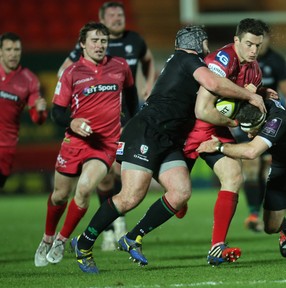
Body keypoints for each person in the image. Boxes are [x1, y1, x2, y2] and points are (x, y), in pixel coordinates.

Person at [71, 25, 266, 274]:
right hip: (146, 131)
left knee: (181, 192)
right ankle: (84, 243)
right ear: (198, 43)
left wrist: (258, 91)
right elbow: (214, 84)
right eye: (205, 42)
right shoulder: (187, 59)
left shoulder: (190, 62)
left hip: (169, 138)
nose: (208, 48)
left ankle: (133, 237)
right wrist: (250, 97)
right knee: (131, 196)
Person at [34, 22, 135, 267]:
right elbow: (57, 113)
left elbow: (132, 100)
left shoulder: (121, 66)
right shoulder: (71, 73)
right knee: (59, 196)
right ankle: (47, 238)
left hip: (105, 144)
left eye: (103, 41)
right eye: (94, 41)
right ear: (82, 44)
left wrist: (129, 126)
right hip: (75, 142)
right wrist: (73, 121)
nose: (99, 45)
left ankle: (62, 239)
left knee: (85, 188)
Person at [57, 1, 156, 251]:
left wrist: (149, 82)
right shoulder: (90, 49)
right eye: (111, 15)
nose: (117, 18)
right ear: (102, 18)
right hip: (104, 117)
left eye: (120, 14)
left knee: (123, 170)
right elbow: (65, 71)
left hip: (126, 114)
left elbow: (147, 60)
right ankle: (113, 226)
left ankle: (117, 219)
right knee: (107, 175)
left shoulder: (135, 40)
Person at [181, 18, 271, 265]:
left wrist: (261, 93)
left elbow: (240, 101)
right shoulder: (222, 60)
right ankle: (130, 234)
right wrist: (248, 99)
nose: (254, 50)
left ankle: (216, 246)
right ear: (236, 41)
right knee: (175, 192)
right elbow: (212, 94)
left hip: (216, 127)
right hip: (188, 126)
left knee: (234, 176)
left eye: (258, 45)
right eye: (249, 44)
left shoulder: (255, 69)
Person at [197, 98, 286, 266]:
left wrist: (219, 147)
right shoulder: (256, 107)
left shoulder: (276, 121)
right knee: (270, 226)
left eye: (253, 132)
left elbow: (251, 151)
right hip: (282, 163)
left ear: (262, 122)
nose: (250, 135)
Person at [231, 26, 286, 232]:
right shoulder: (238, 61)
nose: (257, 47)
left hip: (271, 121)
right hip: (245, 118)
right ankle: (253, 214)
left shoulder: (276, 61)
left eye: (261, 41)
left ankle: (273, 214)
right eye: (251, 43)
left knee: (267, 170)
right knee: (251, 166)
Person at [0, 32, 47, 190]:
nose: (13, 54)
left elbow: (37, 119)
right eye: (8, 49)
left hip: (5, 146)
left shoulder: (29, 80)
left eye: (16, 50)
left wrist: (40, 111)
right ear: (1, 51)